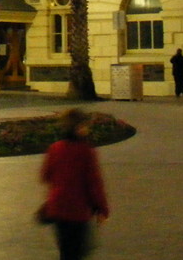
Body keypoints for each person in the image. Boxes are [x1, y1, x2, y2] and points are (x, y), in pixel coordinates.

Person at [40, 108, 109, 260]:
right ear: (78, 128)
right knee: (78, 251)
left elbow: (45, 176)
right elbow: (94, 183)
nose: (87, 128)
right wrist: (102, 208)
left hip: (57, 208)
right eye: (85, 125)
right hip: (77, 210)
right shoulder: (86, 151)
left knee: (65, 251)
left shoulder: (55, 148)